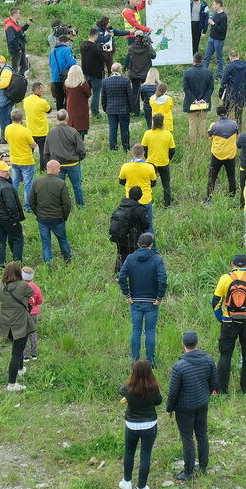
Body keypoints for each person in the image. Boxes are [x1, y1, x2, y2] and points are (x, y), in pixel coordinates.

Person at [212, 253, 246, 393]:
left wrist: (222, 318)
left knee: (225, 354)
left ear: (232, 265)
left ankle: (221, 389)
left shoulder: (225, 279)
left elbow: (215, 302)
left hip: (229, 321)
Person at [167, 330, 214, 482]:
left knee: (187, 438)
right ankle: (203, 467)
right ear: (197, 343)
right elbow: (215, 383)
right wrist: (206, 394)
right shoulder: (208, 360)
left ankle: (188, 472)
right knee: (202, 434)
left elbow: (173, 392)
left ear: (183, 344)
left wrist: (169, 408)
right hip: (202, 403)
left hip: (184, 408)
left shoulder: (179, 366)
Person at [117, 232, 167, 365]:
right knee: (150, 331)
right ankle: (150, 361)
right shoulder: (157, 260)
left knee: (136, 331)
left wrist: (127, 295)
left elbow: (121, 277)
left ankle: (135, 361)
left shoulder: (130, 258)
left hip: (135, 301)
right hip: (152, 302)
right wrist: (159, 297)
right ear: (151, 245)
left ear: (138, 244)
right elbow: (162, 280)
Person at [118, 359, 161, 489]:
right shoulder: (153, 388)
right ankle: (141, 488)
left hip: (132, 425)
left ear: (134, 372)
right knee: (145, 455)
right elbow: (159, 401)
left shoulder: (128, 388)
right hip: (149, 425)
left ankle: (127, 481)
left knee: (129, 452)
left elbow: (120, 390)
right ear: (150, 372)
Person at [0, 262, 36, 391]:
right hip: (19, 322)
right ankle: (11, 384)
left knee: (16, 345)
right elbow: (31, 291)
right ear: (19, 273)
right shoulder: (23, 286)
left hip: (5, 321)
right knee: (17, 353)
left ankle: (20, 368)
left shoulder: (1, 285)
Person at [30, 160, 74, 264]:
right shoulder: (60, 183)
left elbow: (31, 201)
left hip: (42, 219)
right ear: (54, 169)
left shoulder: (37, 182)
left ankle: (48, 265)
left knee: (46, 244)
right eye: (58, 169)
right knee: (63, 240)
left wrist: (38, 213)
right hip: (57, 219)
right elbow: (66, 204)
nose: (59, 171)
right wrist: (64, 217)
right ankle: (67, 260)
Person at [46, 110, 87, 206]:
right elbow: (81, 149)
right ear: (67, 118)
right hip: (73, 164)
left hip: (57, 165)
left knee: (58, 188)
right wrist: (78, 159)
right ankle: (80, 205)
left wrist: (51, 162)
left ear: (56, 118)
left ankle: (59, 206)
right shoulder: (73, 131)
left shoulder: (51, 133)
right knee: (77, 186)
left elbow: (46, 152)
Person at [110, 186, 150, 272]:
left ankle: (119, 273)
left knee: (121, 254)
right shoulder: (140, 209)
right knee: (134, 257)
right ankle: (134, 274)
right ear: (140, 196)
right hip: (133, 239)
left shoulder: (121, 206)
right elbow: (146, 225)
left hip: (119, 237)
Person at [4, 108, 38, 210]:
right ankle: (27, 206)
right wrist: (34, 144)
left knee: (15, 183)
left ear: (11, 118)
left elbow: (6, 139)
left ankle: (14, 204)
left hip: (14, 160)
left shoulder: (7, 128)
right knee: (28, 184)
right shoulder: (25, 130)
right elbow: (32, 145)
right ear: (22, 118)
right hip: (26, 160)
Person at [119, 144, 159, 227]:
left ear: (132, 153)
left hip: (130, 200)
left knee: (131, 225)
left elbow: (121, 181)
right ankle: (150, 239)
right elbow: (153, 183)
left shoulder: (125, 167)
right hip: (146, 199)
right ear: (143, 153)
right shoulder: (150, 167)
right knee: (148, 224)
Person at [205, 106, 240, 202]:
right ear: (227, 113)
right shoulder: (235, 124)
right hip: (230, 155)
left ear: (217, 115)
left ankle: (209, 198)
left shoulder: (213, 125)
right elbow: (237, 134)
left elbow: (210, 136)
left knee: (212, 177)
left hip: (217, 155)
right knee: (231, 177)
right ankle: (232, 197)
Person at [141, 115, 176, 209]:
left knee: (148, 184)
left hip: (151, 162)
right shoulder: (168, 134)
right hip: (164, 162)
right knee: (166, 183)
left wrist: (147, 157)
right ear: (162, 122)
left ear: (153, 121)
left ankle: (147, 202)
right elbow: (172, 150)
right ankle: (167, 204)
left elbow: (144, 148)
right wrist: (168, 158)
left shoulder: (147, 133)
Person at [182, 52, 215, 141]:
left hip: (190, 102)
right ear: (202, 61)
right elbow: (211, 88)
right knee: (202, 122)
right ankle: (202, 140)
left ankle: (193, 142)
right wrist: (204, 99)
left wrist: (194, 100)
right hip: (204, 102)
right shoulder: (208, 72)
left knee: (192, 123)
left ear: (194, 61)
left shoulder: (187, 72)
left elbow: (186, 88)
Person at [102, 63, 134, 150]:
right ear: (120, 70)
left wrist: (105, 108)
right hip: (124, 109)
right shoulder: (126, 81)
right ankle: (126, 146)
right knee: (125, 129)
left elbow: (103, 98)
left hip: (111, 109)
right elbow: (130, 96)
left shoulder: (105, 81)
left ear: (111, 70)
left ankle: (113, 147)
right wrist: (132, 108)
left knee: (112, 129)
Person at [127, 33, 157, 114]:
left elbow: (128, 59)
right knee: (147, 91)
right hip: (146, 74)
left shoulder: (131, 48)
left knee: (135, 92)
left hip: (134, 73)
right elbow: (154, 56)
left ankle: (135, 111)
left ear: (135, 37)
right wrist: (149, 45)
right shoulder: (147, 48)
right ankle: (148, 108)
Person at [48, 33, 76, 112]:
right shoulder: (66, 49)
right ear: (66, 42)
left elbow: (50, 64)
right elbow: (72, 63)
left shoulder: (52, 52)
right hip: (65, 78)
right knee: (68, 96)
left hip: (55, 78)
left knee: (59, 98)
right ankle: (67, 114)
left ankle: (60, 115)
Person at [220, 50, 246, 124]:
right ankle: (238, 130)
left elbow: (224, 81)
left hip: (231, 93)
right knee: (239, 115)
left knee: (226, 113)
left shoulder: (229, 66)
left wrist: (221, 92)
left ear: (230, 58)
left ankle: (226, 128)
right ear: (238, 56)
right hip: (242, 92)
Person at [205, 0, 228, 80]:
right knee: (207, 57)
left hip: (218, 40)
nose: (213, 6)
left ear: (218, 5)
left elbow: (222, 30)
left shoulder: (223, 16)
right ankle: (204, 73)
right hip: (211, 38)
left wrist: (213, 23)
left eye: (214, 5)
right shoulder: (215, 14)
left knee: (219, 58)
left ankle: (220, 75)